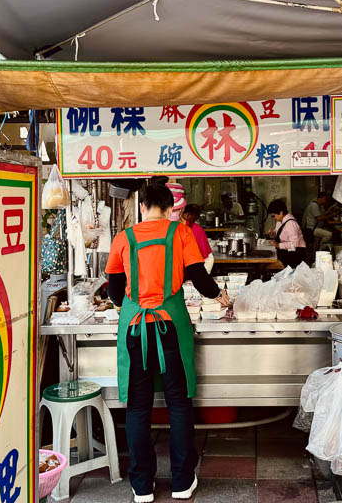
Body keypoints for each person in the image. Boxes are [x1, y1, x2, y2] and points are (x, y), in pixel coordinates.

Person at [105, 183, 230, 503]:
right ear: (171, 206)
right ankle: (181, 481)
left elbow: (115, 293)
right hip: (171, 326)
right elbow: (200, 279)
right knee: (178, 403)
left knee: (137, 406)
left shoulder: (124, 238)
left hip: (135, 329)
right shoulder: (182, 234)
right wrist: (220, 295)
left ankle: (142, 485)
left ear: (143, 206)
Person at [267, 199, 307, 268]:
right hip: (286, 251)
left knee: (268, 266)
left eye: (274, 215)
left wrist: (279, 245)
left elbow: (294, 244)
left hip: (295, 254)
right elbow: (280, 234)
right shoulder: (280, 221)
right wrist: (273, 234)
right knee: (265, 262)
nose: (274, 218)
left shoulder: (290, 223)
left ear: (281, 212)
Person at [182, 203, 214, 273]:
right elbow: (207, 257)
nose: (196, 220)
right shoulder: (197, 229)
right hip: (194, 270)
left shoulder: (170, 228)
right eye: (196, 217)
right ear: (188, 215)